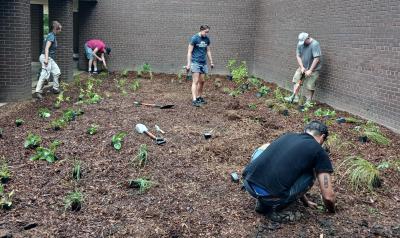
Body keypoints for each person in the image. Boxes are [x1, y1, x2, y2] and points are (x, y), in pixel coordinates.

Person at [242, 121, 336, 215]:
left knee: (267, 148)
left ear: (305, 131)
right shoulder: (319, 151)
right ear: (323, 137)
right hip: (269, 196)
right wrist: (332, 211)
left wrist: (305, 202)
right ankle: (268, 206)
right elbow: (328, 197)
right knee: (311, 173)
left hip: (249, 183)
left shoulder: (288, 136)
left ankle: (264, 197)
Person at [285, 32, 322, 106]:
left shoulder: (315, 44)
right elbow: (298, 56)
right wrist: (302, 67)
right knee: (296, 79)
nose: (303, 44)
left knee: (310, 85)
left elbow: (317, 58)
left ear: (308, 38)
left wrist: (310, 70)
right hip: (303, 67)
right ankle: (295, 97)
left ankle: (308, 101)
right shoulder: (300, 44)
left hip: (314, 69)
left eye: (304, 41)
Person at [185, 25, 214, 107]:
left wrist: (211, 62)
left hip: (203, 63)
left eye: (207, 32)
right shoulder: (194, 38)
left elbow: (208, 51)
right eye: (206, 32)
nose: (206, 34)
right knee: (196, 81)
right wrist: (188, 64)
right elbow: (189, 52)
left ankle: (199, 97)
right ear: (201, 30)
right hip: (195, 62)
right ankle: (194, 100)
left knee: (202, 81)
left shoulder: (207, 39)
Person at [34, 21, 62, 100]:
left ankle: (55, 89)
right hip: (46, 57)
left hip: (50, 58)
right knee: (45, 75)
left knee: (57, 73)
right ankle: (38, 92)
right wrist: (46, 59)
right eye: (60, 29)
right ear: (56, 29)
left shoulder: (53, 35)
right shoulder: (51, 36)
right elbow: (46, 48)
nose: (61, 30)